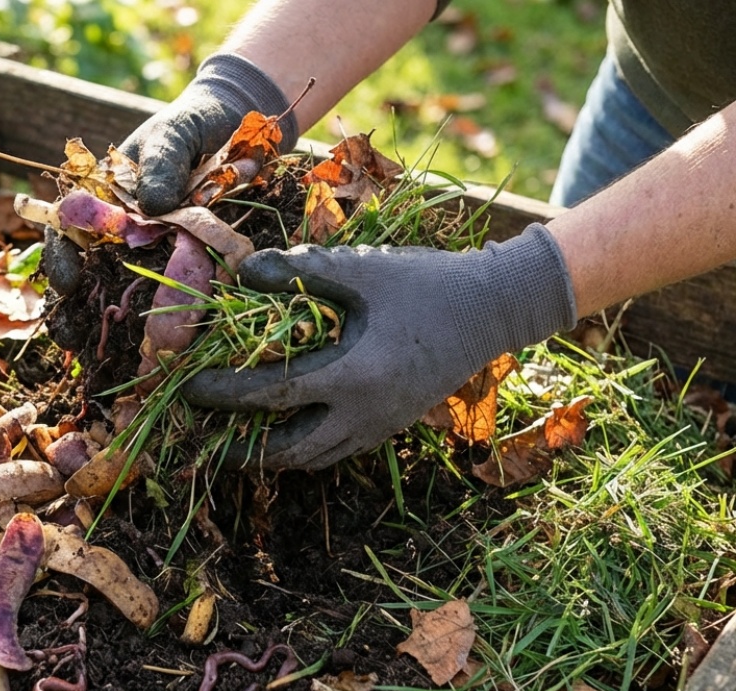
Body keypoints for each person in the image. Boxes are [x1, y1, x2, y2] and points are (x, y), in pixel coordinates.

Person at [47, 0, 736, 471]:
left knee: (692, 448)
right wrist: (239, 88)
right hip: (656, 90)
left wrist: (506, 295)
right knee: (612, 376)